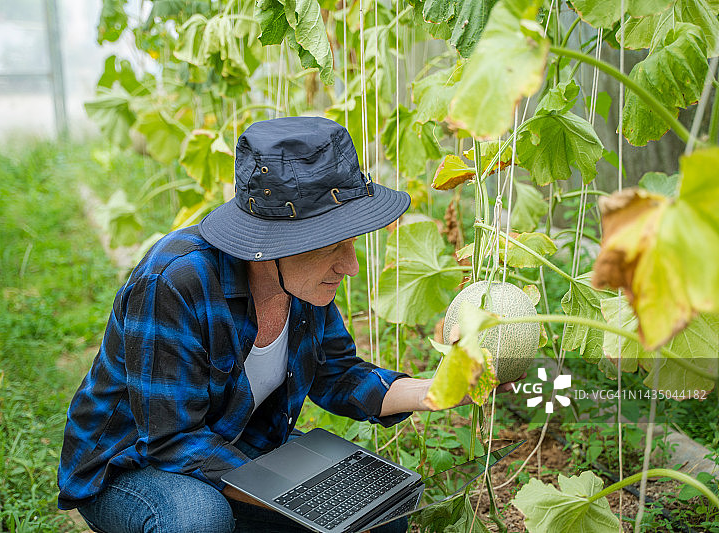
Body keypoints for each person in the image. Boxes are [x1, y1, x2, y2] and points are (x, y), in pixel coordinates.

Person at [57, 116, 515, 533]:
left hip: (237, 444)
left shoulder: (302, 285)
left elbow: (339, 374)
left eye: (351, 244)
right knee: (199, 520)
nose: (350, 266)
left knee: (381, 508)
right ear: (275, 242)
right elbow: (170, 440)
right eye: (333, 247)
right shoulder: (176, 281)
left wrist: (435, 389)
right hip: (130, 466)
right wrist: (295, 505)